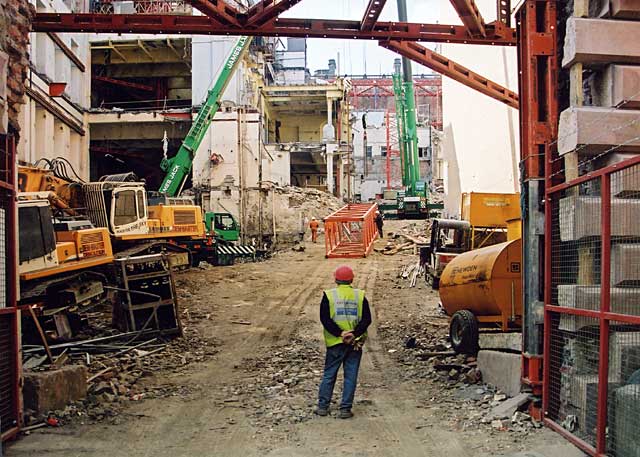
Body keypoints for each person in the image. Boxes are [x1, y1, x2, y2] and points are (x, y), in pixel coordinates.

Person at [316, 265, 372, 419]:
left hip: (335, 342)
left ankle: (323, 406)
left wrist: (341, 333)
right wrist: (353, 334)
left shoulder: (329, 296)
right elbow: (367, 319)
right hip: (354, 343)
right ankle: (345, 409)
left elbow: (325, 319)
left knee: (329, 374)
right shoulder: (360, 296)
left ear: (336, 280)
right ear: (352, 280)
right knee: (350, 376)